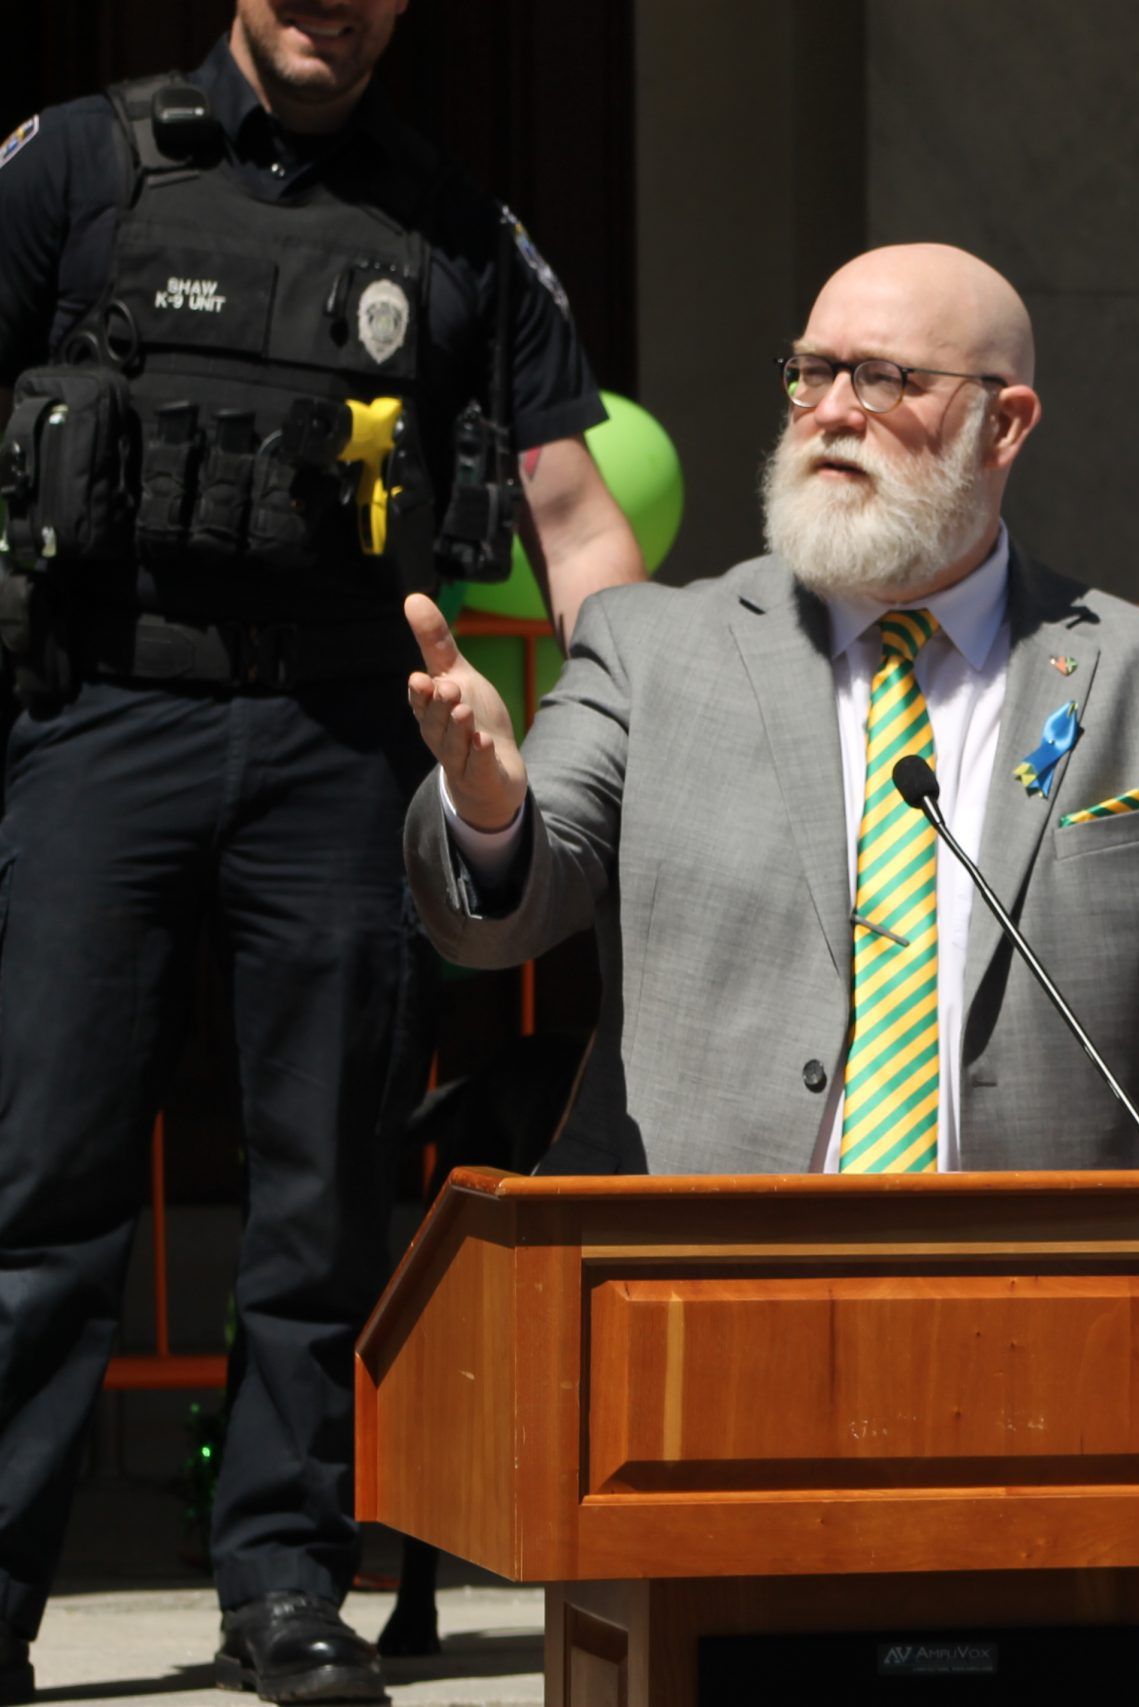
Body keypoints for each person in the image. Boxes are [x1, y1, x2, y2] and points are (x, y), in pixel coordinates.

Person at [0, 3, 641, 1701]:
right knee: (41, 1189)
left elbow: (575, 518)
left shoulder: (456, 225)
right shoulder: (75, 169)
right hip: (106, 718)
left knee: (327, 1190)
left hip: (347, 745)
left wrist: (637, 740)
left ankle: (286, 1585)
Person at [402, 242, 1139, 1177]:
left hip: (1031, 1260)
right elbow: (502, 911)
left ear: (1004, 425)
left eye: (884, 379)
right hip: (693, 1252)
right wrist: (489, 811)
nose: (833, 411)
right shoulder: (650, 649)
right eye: (812, 372)